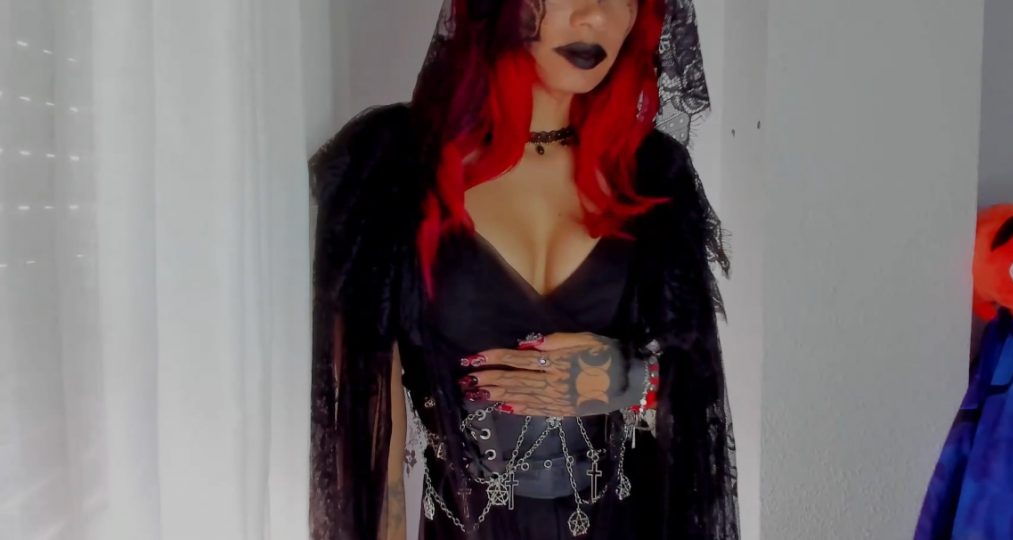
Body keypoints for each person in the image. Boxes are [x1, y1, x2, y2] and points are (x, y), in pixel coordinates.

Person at [309, 1, 739, 538]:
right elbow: (367, 435)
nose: (594, 17)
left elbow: (699, 394)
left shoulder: (653, 174)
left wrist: (635, 380)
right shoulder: (391, 164)